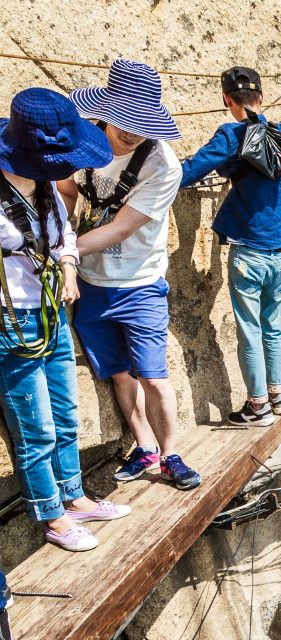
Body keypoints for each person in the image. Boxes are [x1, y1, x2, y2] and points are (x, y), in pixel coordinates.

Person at [58, 59, 201, 491]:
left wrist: (61, 251)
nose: (132, 131)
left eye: (142, 123)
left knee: (153, 375)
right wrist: (62, 231)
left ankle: (171, 454)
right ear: (107, 109)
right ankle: (145, 447)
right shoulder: (82, 137)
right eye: (125, 119)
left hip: (139, 282)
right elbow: (67, 189)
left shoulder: (162, 165)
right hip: (91, 282)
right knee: (119, 372)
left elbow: (122, 226)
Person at [1, 87, 131, 552]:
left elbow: (64, 238)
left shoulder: (43, 187)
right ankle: (53, 518)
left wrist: (70, 269)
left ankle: (74, 496)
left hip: (52, 313)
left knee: (65, 413)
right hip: (11, 323)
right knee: (35, 427)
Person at [180, 66, 281, 427]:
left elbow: (193, 169)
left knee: (250, 329)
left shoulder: (232, 134)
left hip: (249, 252)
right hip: (280, 252)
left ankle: (257, 405)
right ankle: (279, 396)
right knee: (272, 328)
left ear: (227, 100)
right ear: (260, 97)